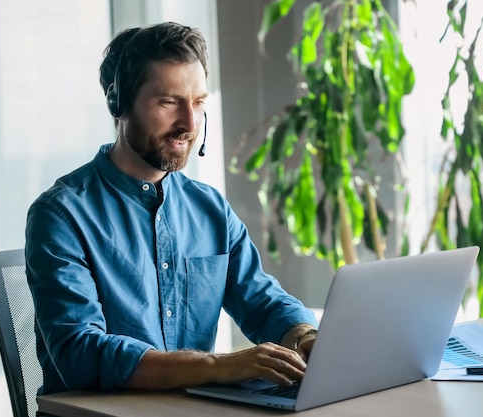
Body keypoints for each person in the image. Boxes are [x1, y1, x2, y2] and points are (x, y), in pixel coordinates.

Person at [25, 21, 318, 396]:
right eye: (169, 102)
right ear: (119, 102)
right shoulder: (61, 214)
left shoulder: (209, 207)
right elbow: (80, 354)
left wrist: (305, 337)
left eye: (198, 102)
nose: (189, 124)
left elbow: (261, 301)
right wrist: (220, 365)